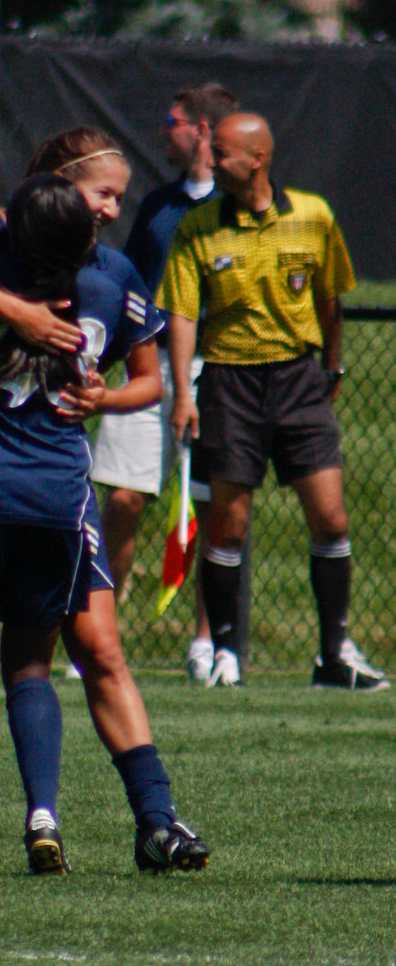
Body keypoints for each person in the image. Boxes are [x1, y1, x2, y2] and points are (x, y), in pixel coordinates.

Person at [0, 161, 210, 876]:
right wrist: (99, 393)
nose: (112, 208)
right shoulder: (110, 279)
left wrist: (3, 300)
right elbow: (141, 371)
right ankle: (45, 814)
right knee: (34, 665)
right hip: (58, 499)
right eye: (102, 196)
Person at [155, 111, 389, 691]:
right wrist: (185, 392)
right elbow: (182, 312)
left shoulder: (312, 216)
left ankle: (334, 654)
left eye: (224, 152)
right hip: (230, 382)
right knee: (228, 525)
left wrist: (331, 365)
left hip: (298, 381)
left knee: (330, 517)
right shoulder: (198, 226)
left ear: (257, 159)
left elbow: (332, 297)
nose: (211, 160)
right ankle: (227, 652)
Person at [90, 83, 243, 682]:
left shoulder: (236, 213)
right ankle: (100, 634)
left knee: (210, 510)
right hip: (147, 367)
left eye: (172, 120)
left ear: (202, 130)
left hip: (218, 372)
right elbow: (125, 284)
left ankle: (207, 644)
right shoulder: (155, 205)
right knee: (123, 500)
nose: (163, 131)